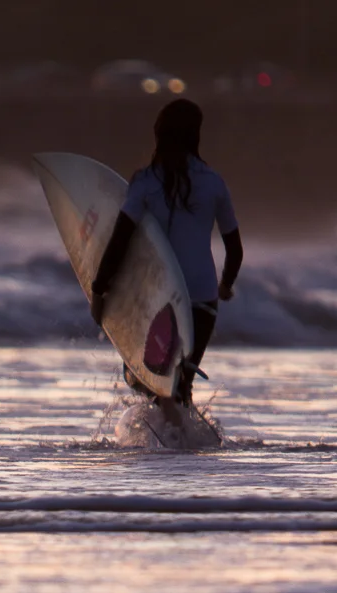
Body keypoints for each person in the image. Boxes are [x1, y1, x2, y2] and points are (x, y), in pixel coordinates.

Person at [90, 98, 243, 404]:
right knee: (179, 382)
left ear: (159, 134)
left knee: (151, 381)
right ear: (195, 136)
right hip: (202, 297)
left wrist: (99, 290)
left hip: (158, 295)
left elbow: (121, 239)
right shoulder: (214, 183)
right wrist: (225, 285)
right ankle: (183, 429)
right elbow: (235, 249)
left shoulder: (145, 182)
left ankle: (168, 430)